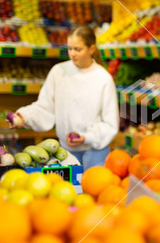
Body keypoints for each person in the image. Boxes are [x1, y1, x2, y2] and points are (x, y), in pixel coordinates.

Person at [9, 25, 119, 169]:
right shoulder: (59, 72)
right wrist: (24, 116)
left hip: (96, 151)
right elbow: (45, 107)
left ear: (91, 49)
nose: (72, 54)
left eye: (78, 49)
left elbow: (110, 123)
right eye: (70, 48)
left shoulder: (103, 78)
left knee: (94, 187)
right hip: (65, 151)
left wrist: (86, 137)